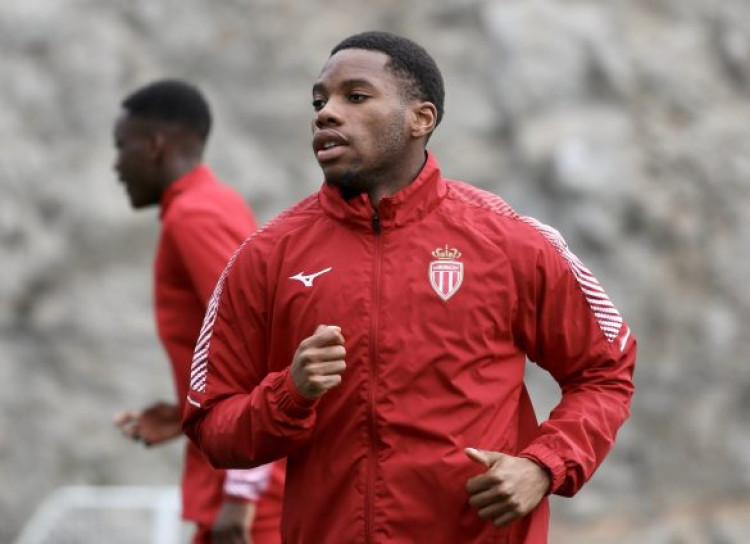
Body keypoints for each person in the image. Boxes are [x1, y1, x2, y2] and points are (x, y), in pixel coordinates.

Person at [182, 32, 636, 544]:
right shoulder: (267, 255)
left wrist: (542, 465)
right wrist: (290, 393)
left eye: (355, 96)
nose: (326, 114)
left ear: (421, 119)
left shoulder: (511, 240)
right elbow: (211, 424)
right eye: (319, 101)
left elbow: (605, 371)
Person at [111, 79, 284, 544]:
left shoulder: (194, 215)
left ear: (154, 145)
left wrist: (242, 493)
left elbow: (258, 342)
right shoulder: (213, 204)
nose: (116, 165)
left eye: (121, 146)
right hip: (241, 470)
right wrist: (186, 413)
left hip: (251, 490)